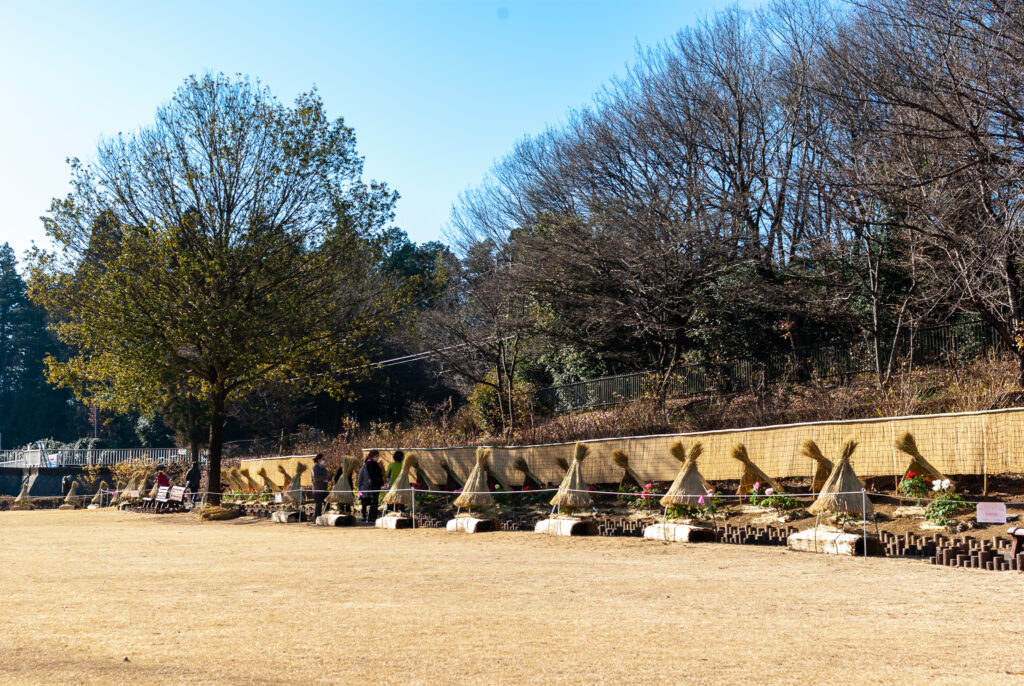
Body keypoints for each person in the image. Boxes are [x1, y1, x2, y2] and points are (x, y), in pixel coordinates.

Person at [357, 451, 384, 524]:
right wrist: (359, 489)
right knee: (371, 503)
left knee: (373, 503)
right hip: (369, 487)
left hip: (371, 486)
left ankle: (370, 518)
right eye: (376, 456)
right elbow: (361, 478)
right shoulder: (369, 465)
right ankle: (370, 518)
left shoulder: (373, 464)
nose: (377, 457)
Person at [311, 453, 329, 519]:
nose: (324, 460)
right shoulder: (315, 468)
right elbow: (316, 478)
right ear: (319, 459)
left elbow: (326, 476)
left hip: (324, 488)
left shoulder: (323, 467)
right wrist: (325, 478)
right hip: (318, 489)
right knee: (318, 504)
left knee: (327, 502)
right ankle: (316, 518)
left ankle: (325, 517)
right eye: (323, 459)